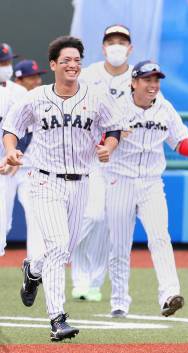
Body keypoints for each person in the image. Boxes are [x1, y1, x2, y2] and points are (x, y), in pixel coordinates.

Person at [2, 35, 125, 341]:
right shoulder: (35, 97)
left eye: (77, 60)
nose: (73, 65)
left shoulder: (96, 97)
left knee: (63, 250)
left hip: (80, 181)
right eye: (66, 60)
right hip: (44, 179)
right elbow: (11, 128)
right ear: (54, 64)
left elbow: (113, 128)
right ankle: (57, 318)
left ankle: (33, 270)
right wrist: (11, 150)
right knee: (57, 245)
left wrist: (109, 146)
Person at [105, 60, 188, 319]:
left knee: (160, 237)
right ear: (134, 82)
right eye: (147, 80)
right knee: (119, 244)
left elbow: (179, 140)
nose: (153, 85)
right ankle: (119, 300)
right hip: (120, 179)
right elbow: (105, 137)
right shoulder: (117, 107)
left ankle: (170, 294)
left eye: (156, 80)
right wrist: (106, 147)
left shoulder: (165, 107)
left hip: (151, 182)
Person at [71, 24, 134, 302]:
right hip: (93, 157)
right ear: (103, 46)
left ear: (130, 47)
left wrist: (131, 124)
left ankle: (93, 282)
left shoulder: (140, 76)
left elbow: (155, 107)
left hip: (126, 162)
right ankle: (77, 274)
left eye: (122, 41)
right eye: (112, 41)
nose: (117, 46)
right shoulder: (88, 75)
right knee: (92, 215)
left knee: (109, 224)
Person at [0, 59, 46, 265]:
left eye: (38, 76)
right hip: (6, 167)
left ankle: (34, 268)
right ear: (19, 79)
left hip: (32, 167)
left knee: (37, 218)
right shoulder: (12, 95)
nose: (36, 81)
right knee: (2, 224)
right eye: (31, 77)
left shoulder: (44, 98)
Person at [0, 43, 27, 256]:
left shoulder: (18, 92)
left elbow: (27, 129)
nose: (6, 67)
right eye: (2, 62)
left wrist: (18, 153)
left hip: (6, 165)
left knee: (3, 226)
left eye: (8, 62)